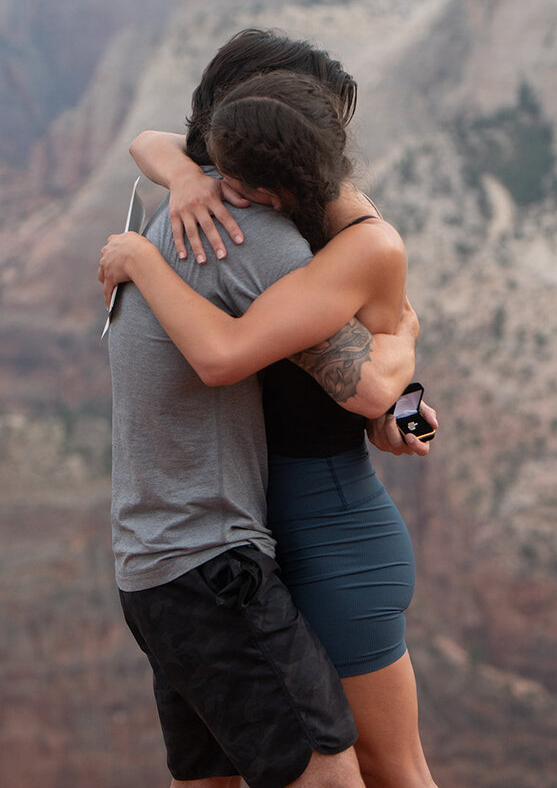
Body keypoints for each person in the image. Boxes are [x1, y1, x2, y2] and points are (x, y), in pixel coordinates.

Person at [101, 62, 439, 788]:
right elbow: (153, 142)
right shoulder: (251, 219)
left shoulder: (350, 243)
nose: (225, 185)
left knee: (387, 768)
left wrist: (408, 383)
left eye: (234, 175)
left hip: (333, 533)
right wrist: (184, 178)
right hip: (256, 540)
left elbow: (383, 386)